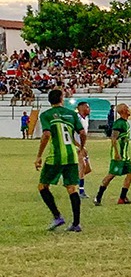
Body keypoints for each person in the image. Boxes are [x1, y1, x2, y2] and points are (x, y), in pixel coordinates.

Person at [35, 89, 86, 232]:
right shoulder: (71, 114)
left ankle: (57, 216)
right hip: (71, 155)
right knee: (72, 188)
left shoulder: (46, 115)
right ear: (61, 99)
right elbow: (82, 132)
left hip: (56, 156)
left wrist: (39, 156)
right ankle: (76, 224)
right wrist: (81, 148)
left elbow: (46, 135)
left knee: (42, 186)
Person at [94, 103, 131, 206]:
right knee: (111, 175)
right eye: (127, 108)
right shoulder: (119, 123)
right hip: (119, 155)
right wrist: (117, 153)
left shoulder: (125, 123)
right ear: (123, 111)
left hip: (125, 156)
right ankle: (98, 197)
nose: (129, 109)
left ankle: (122, 198)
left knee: (130, 175)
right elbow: (113, 138)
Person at [75, 101, 92, 198]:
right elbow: (71, 134)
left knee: (88, 169)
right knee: (82, 166)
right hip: (76, 146)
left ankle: (71, 178)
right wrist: (79, 146)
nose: (89, 109)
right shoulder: (76, 118)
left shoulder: (86, 118)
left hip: (82, 146)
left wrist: (84, 146)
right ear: (81, 108)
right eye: (87, 107)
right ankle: (81, 191)